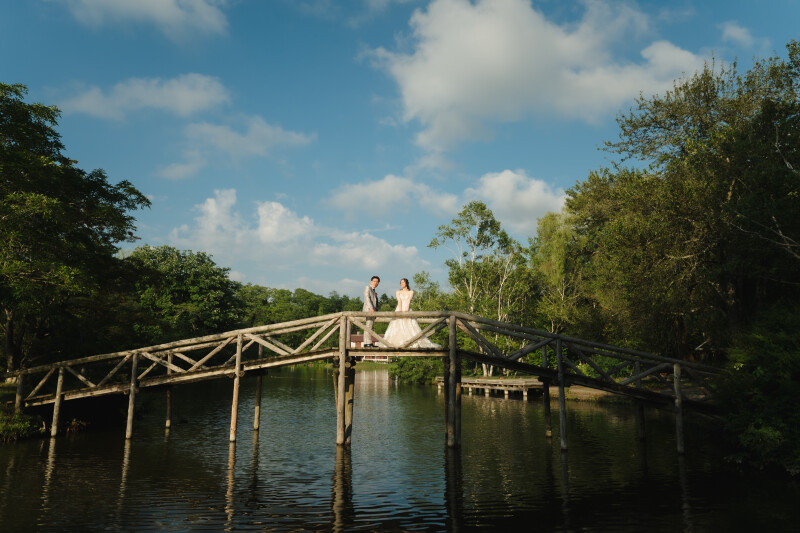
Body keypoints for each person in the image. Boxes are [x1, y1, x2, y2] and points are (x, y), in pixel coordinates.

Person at [381, 278, 441, 348]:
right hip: (399, 308)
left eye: (403, 282)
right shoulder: (398, 292)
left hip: (407, 308)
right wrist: (400, 311)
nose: (401, 284)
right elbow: (399, 301)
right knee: (397, 325)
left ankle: (410, 342)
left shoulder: (411, 292)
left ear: (406, 283)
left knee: (409, 325)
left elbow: (408, 300)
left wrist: (406, 311)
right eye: (400, 283)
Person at [362, 275, 380, 347]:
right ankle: (367, 343)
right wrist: (371, 308)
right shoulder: (368, 288)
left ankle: (368, 342)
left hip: (372, 310)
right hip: (369, 310)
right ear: (371, 281)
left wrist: (375, 295)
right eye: (374, 281)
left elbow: (372, 298)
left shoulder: (373, 290)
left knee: (369, 326)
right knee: (368, 326)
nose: (375, 283)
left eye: (377, 282)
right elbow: (367, 297)